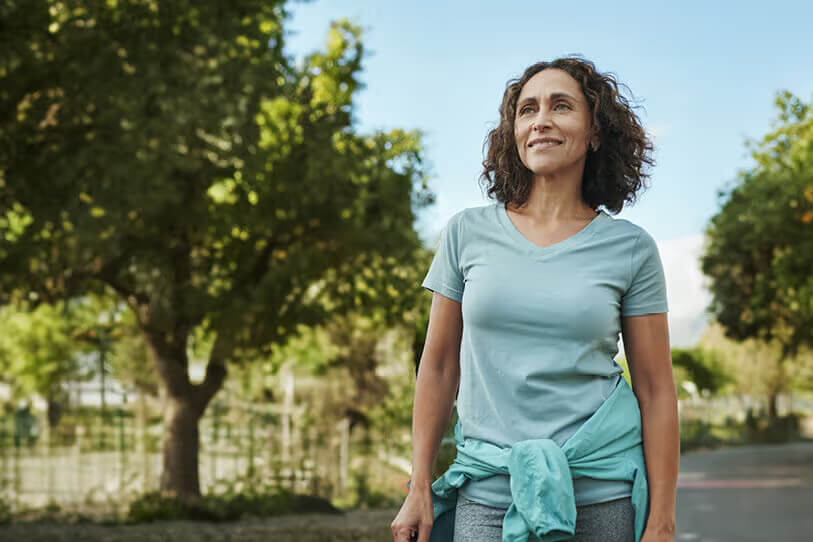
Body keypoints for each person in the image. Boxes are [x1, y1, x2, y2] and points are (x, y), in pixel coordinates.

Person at [391, 56, 678, 542]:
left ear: (595, 131)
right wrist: (418, 486)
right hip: (488, 492)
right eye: (528, 109)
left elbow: (656, 389)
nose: (541, 120)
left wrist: (662, 521)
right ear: (514, 131)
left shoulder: (631, 248)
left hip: (600, 492)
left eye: (561, 106)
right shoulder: (466, 233)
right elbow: (438, 367)